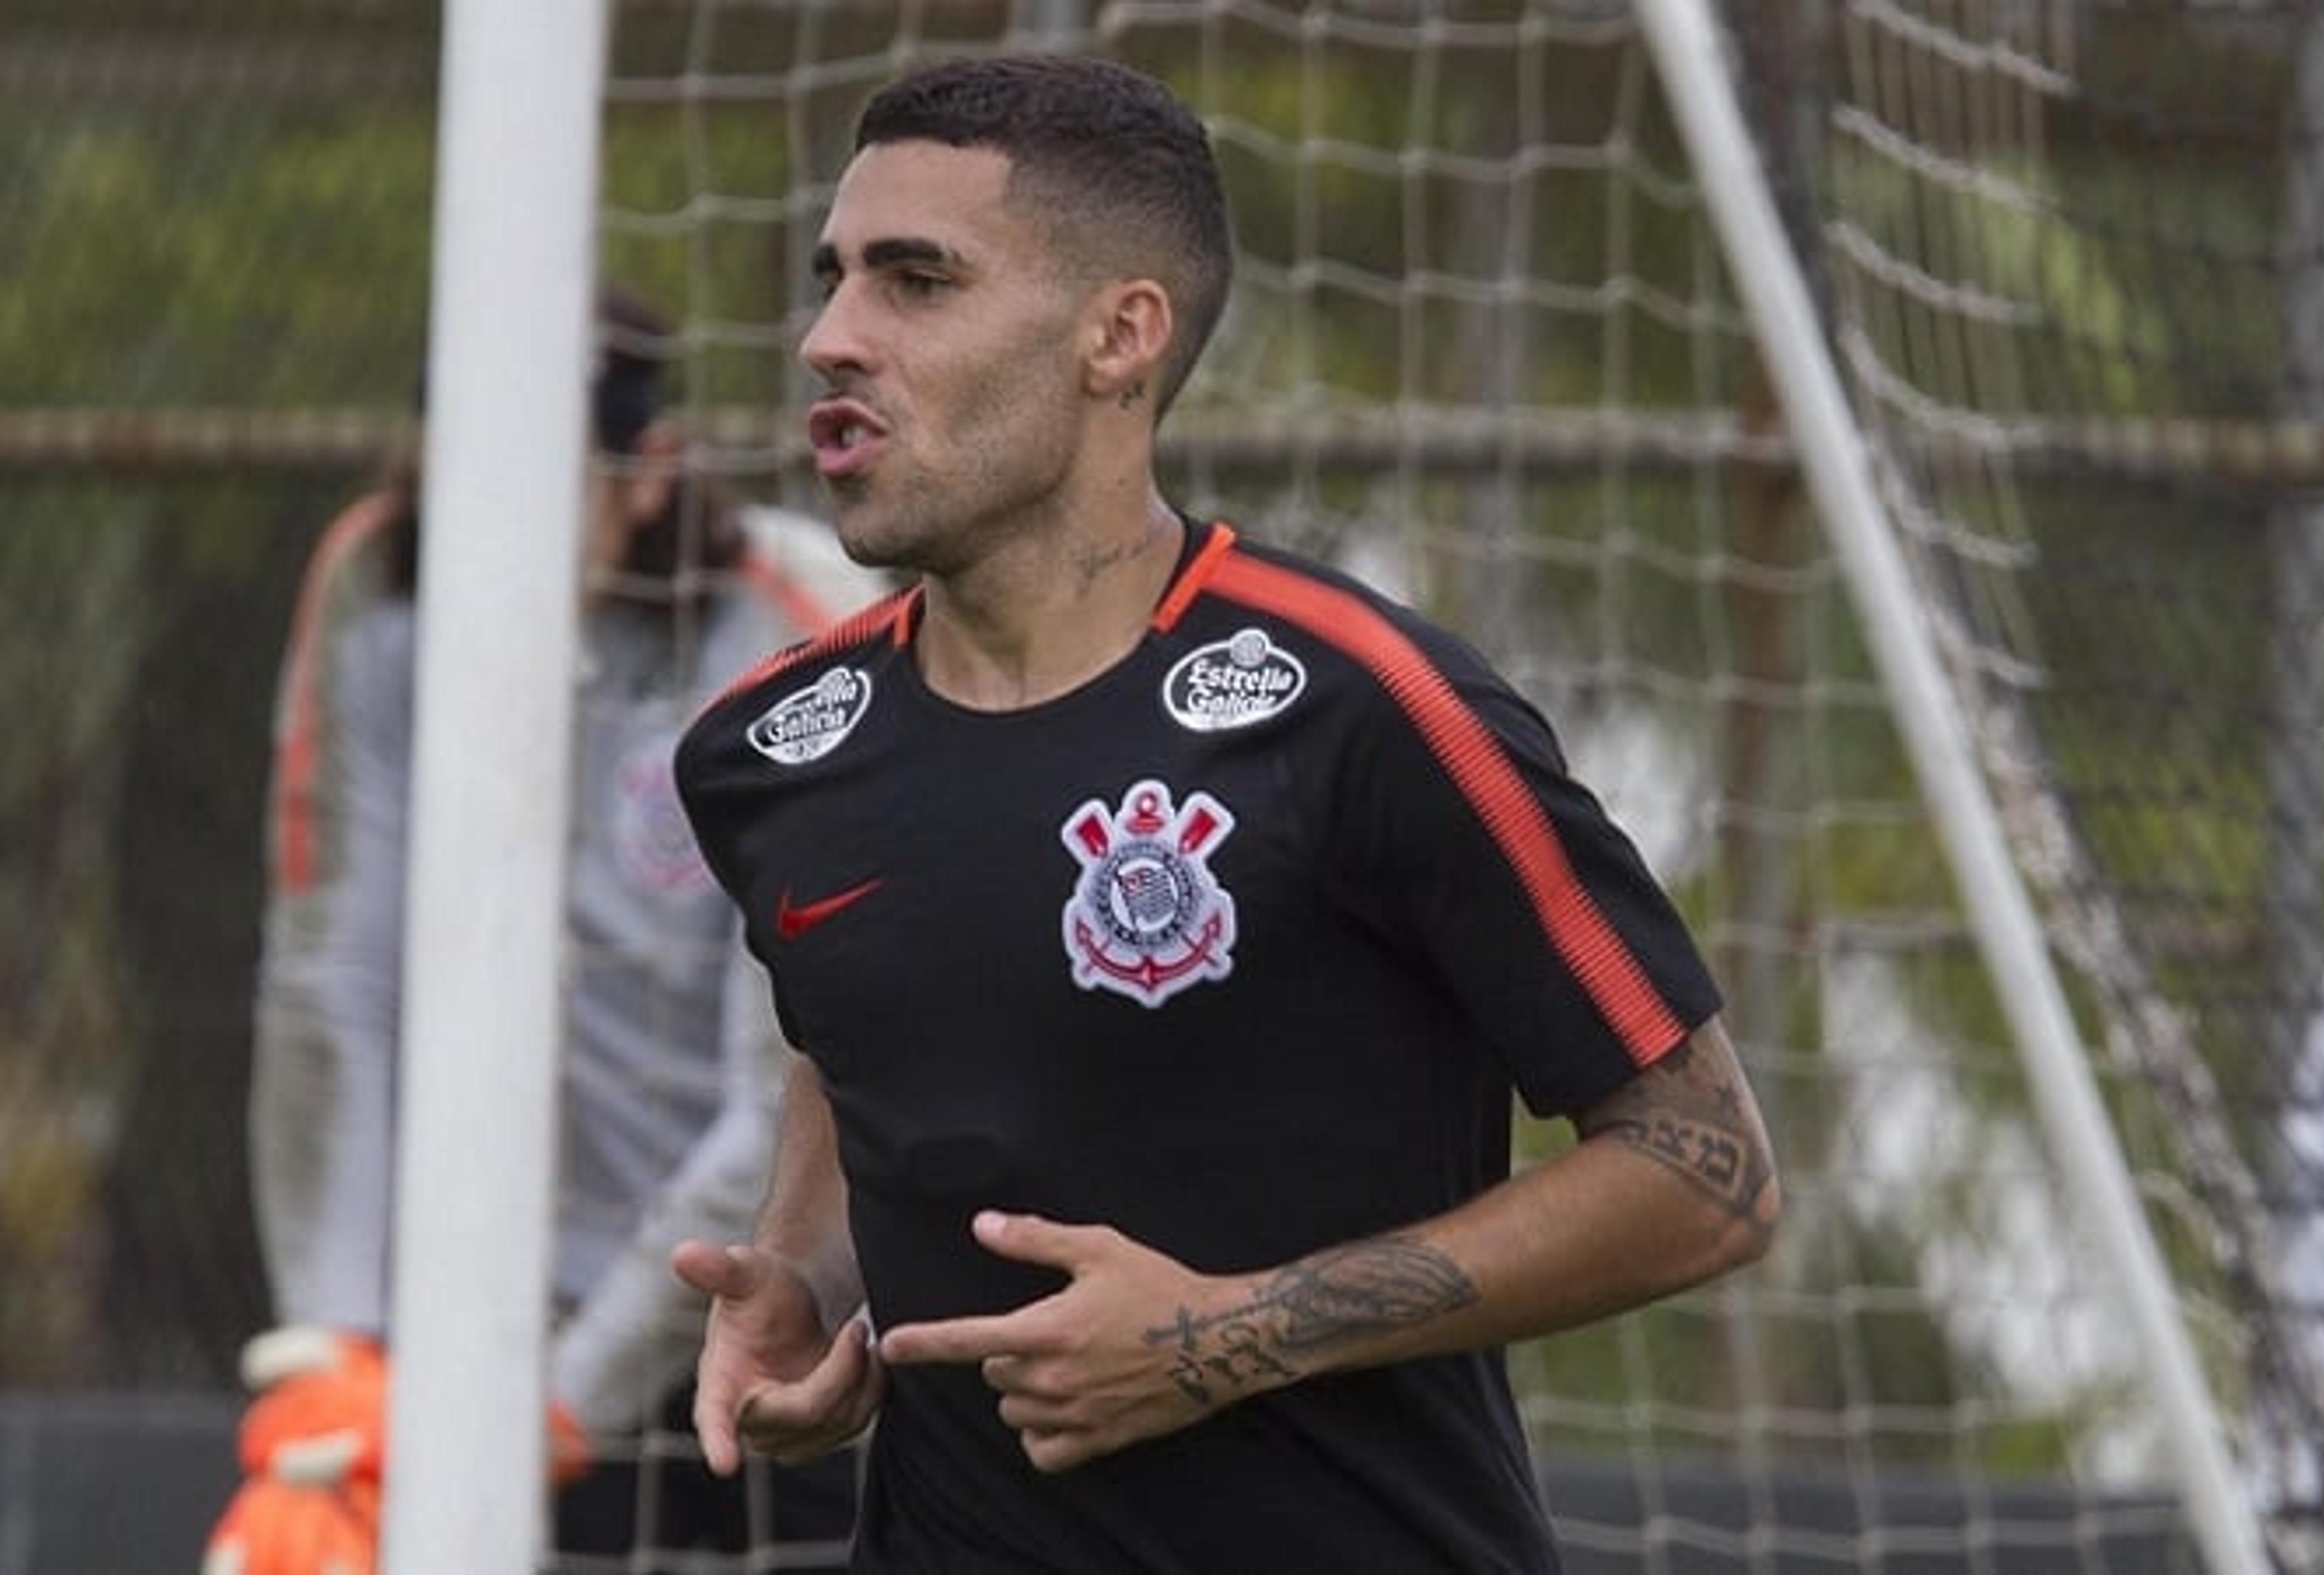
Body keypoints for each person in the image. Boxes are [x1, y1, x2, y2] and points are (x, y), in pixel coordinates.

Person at [668, 54, 1781, 1574]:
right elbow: (850, 1012)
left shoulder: (1369, 706)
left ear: (1120, 337)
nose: (830, 338)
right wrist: (806, 1268)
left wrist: (1227, 1333)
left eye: (915, 281)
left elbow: (1705, 1170)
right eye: (835, 279)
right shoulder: (773, 750)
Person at [209, 287, 874, 1574]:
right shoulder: (375, 586)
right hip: (481, 1315)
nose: (487, 533)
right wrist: (339, 1346)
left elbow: (790, 1089)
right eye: (462, 478)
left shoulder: (793, 625)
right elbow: (332, 972)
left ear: (647, 480)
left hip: (772, 1303)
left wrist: (563, 1395)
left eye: (537, 486)